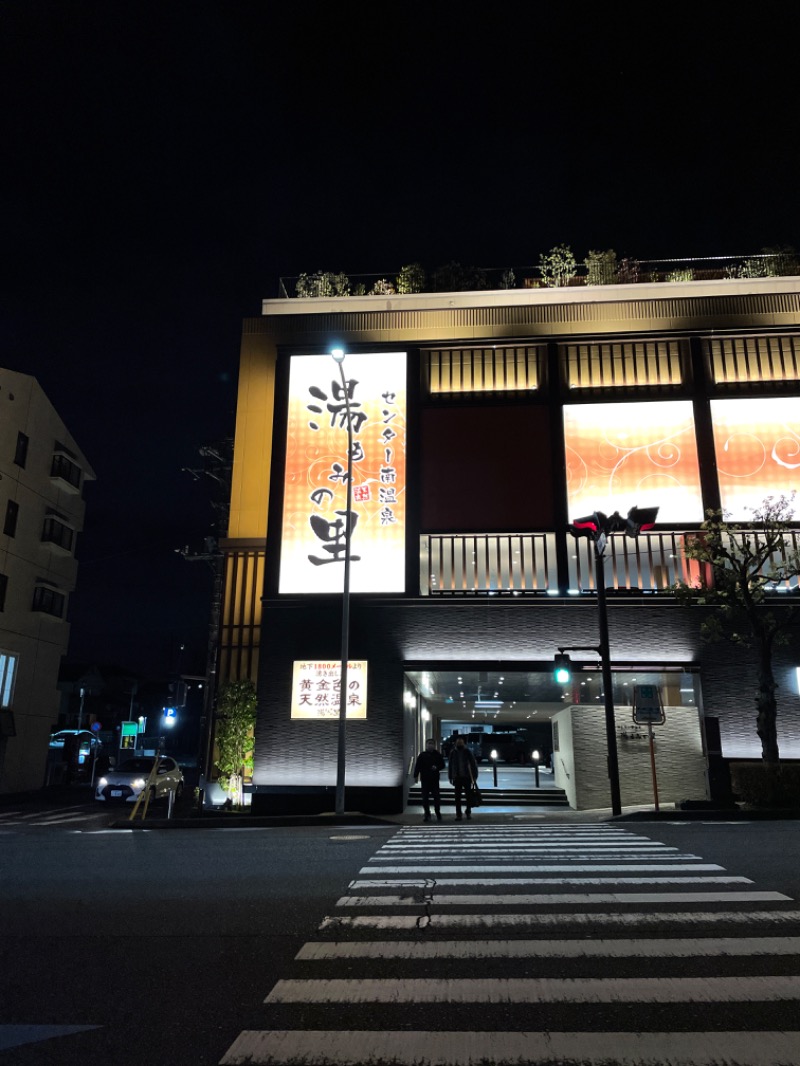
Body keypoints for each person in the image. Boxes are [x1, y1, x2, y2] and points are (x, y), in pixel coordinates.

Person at [413, 738, 445, 821]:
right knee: (425, 798)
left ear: (434, 745)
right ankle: (427, 814)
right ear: (426, 745)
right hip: (425, 779)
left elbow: (442, 765)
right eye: (429, 743)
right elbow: (418, 766)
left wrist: (437, 767)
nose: (430, 745)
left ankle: (437, 812)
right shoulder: (422, 755)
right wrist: (415, 775)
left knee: (436, 797)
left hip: (434, 779)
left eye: (432, 743)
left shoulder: (437, 754)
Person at [448, 735, 478, 821]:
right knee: (457, 797)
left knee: (468, 796)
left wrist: (474, 776)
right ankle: (459, 814)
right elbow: (450, 765)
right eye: (458, 742)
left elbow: (473, 764)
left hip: (467, 777)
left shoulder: (468, 751)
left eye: (461, 742)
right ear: (456, 743)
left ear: (463, 742)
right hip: (457, 778)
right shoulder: (453, 752)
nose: (459, 743)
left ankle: (468, 812)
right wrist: (450, 776)